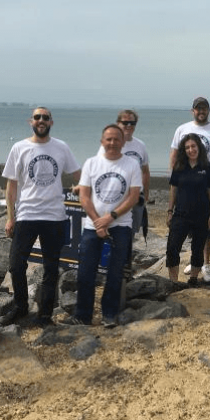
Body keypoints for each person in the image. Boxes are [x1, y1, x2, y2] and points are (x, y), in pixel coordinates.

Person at [2, 107, 81, 326]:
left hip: (54, 216)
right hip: (26, 214)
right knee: (16, 265)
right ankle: (21, 306)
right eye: (37, 117)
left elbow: (78, 175)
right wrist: (11, 217)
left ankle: (45, 314)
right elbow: (11, 187)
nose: (41, 120)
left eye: (45, 117)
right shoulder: (19, 148)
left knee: (51, 267)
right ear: (31, 122)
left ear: (51, 122)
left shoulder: (61, 147)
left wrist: (80, 188)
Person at [66, 125, 141, 327]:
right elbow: (84, 196)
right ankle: (83, 315)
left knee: (115, 274)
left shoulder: (132, 165)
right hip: (92, 227)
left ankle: (109, 314)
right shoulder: (91, 163)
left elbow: (134, 197)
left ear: (123, 142)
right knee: (85, 273)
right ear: (102, 141)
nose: (112, 143)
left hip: (121, 226)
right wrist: (98, 221)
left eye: (116, 139)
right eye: (108, 139)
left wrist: (111, 217)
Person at [170, 97, 210, 282]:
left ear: (208, 110)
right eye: (197, 109)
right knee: (184, 225)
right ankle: (192, 261)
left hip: (209, 185)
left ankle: (206, 263)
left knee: (208, 228)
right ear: (192, 111)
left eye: (204, 108)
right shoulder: (182, 129)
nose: (201, 111)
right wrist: (176, 179)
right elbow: (174, 155)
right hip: (186, 183)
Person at [97, 109, 150, 268]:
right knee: (112, 235)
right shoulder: (110, 144)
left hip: (135, 200)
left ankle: (125, 271)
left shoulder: (140, 145)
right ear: (118, 123)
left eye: (132, 123)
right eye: (124, 122)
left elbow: (145, 171)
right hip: (114, 200)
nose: (128, 125)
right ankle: (107, 270)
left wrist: (145, 195)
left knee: (129, 236)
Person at [166, 133, 210, 284]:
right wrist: (169, 211)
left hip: (202, 214)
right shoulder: (179, 166)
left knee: (198, 249)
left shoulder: (207, 167)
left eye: (193, 146)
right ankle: (173, 282)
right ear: (184, 149)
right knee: (172, 248)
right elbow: (173, 189)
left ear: (199, 147)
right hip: (181, 214)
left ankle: (193, 279)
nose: (190, 150)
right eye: (187, 147)